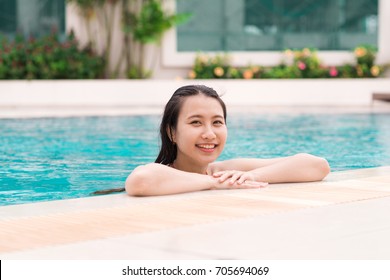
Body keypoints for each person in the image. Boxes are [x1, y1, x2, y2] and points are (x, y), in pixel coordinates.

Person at [124, 85, 330, 196]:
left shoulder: (227, 170)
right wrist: (215, 183)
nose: (209, 134)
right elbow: (140, 181)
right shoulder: (165, 173)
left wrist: (250, 176)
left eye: (217, 122)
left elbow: (317, 166)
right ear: (172, 133)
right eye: (196, 122)